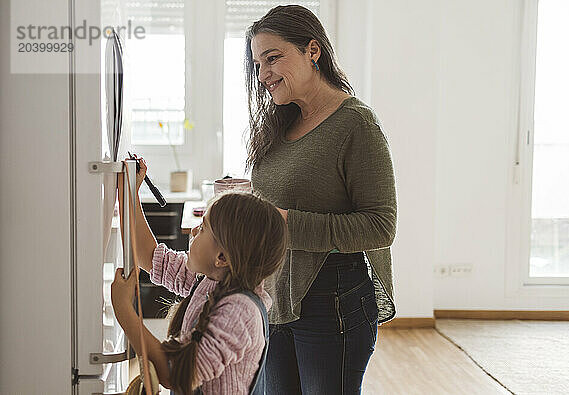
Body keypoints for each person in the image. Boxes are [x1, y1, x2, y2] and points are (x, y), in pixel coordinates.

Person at [245, 5, 398, 394]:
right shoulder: (281, 123)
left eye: (272, 58)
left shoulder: (356, 123)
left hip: (333, 299)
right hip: (275, 295)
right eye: (257, 64)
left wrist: (283, 224)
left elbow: (380, 226)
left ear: (313, 50)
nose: (263, 75)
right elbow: (285, 196)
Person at [111, 158, 287, 394]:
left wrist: (123, 308)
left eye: (203, 227)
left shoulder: (239, 312)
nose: (194, 230)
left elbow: (176, 375)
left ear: (222, 258)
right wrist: (129, 191)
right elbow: (148, 256)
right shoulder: (210, 280)